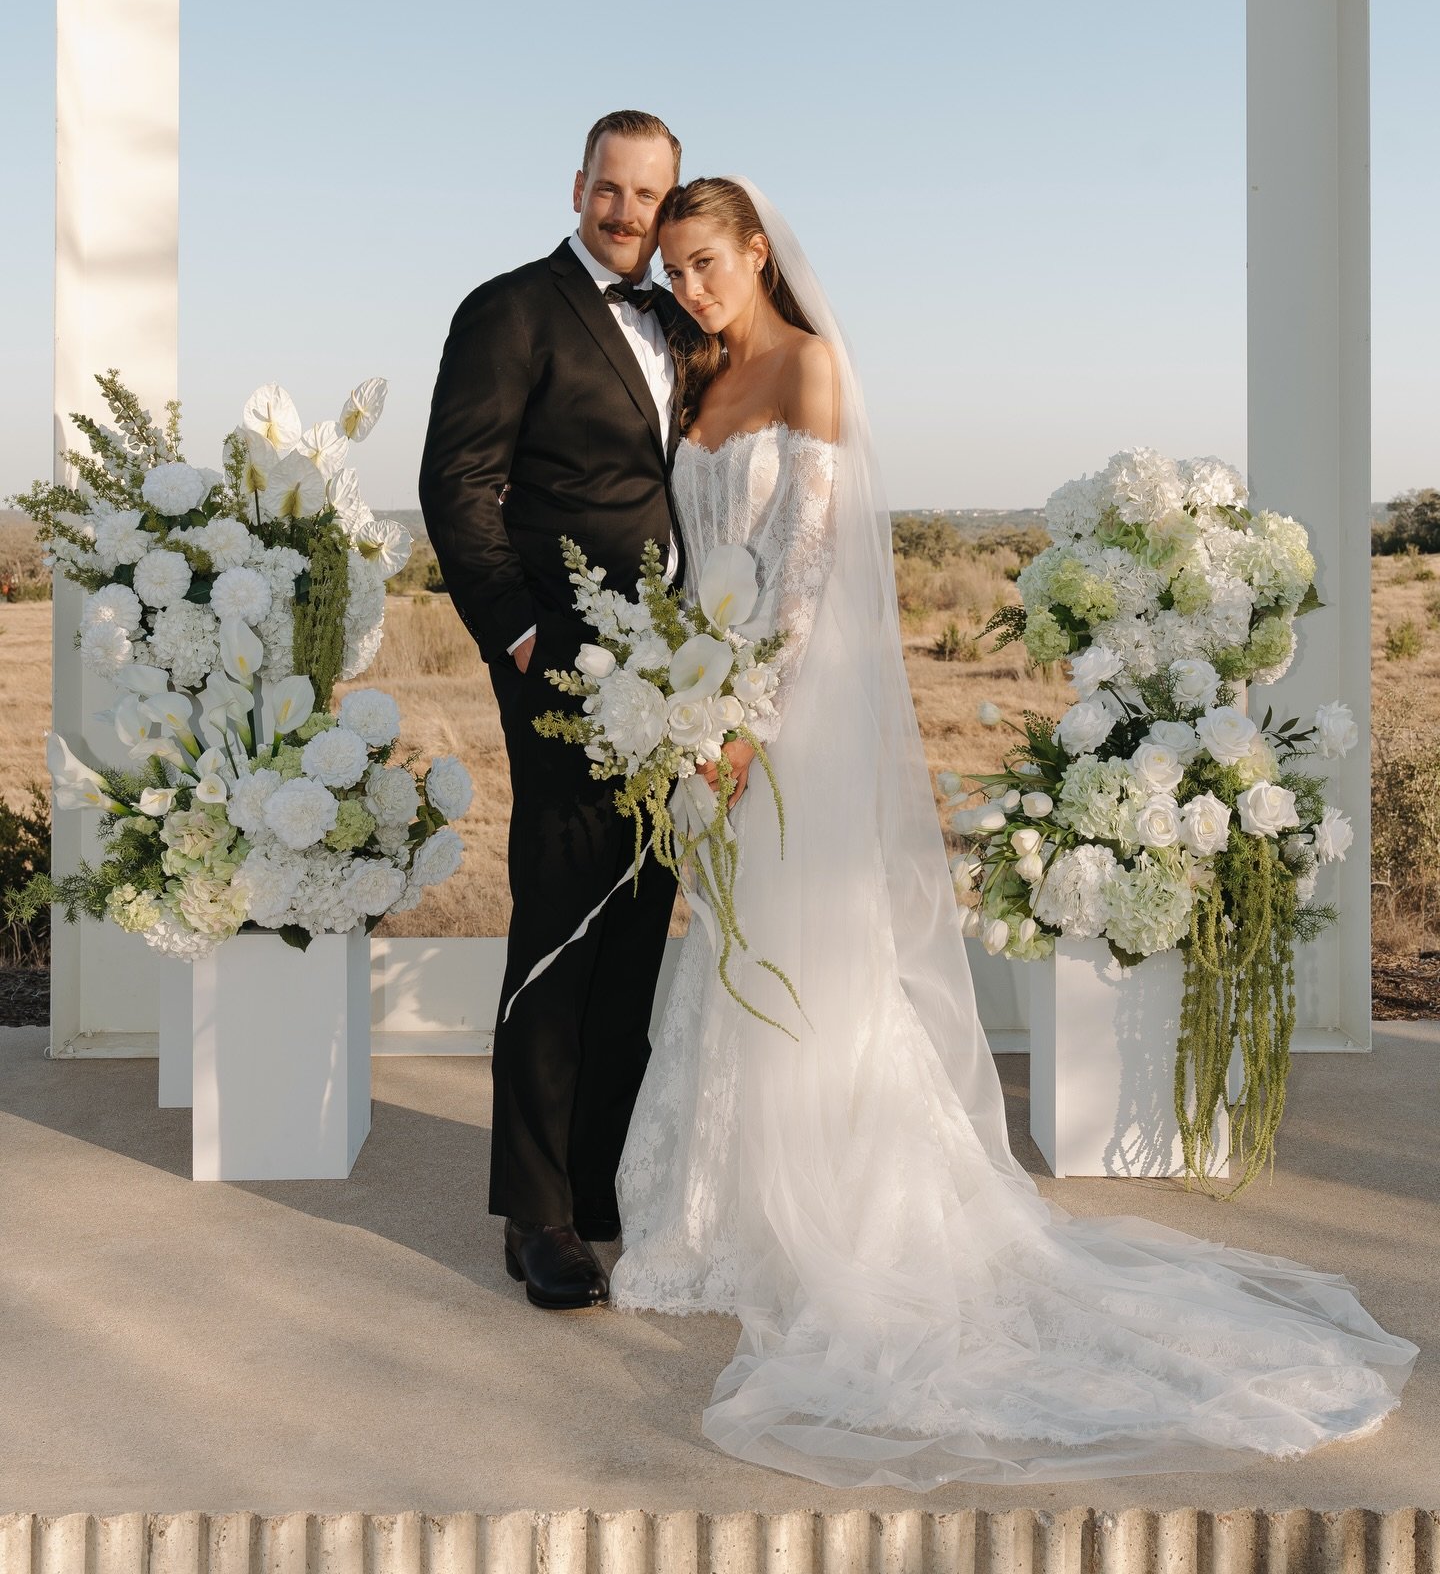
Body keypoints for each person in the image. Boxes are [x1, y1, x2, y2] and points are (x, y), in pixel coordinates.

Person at [607, 174, 1418, 1489]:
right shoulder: (700, 385)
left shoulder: (809, 368)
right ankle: (718, 1217)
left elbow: (804, 570)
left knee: (811, 957)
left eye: (710, 263)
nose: (694, 287)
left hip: (783, 712)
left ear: (758, 253)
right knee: (732, 954)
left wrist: (748, 715)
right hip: (711, 701)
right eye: (677, 269)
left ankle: (845, 1213)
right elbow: (697, 560)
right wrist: (681, 701)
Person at [418, 111, 700, 1311]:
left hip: (677, 677)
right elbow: (458, 483)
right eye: (612, 187)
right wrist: (522, 636)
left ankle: (599, 1184)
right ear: (578, 183)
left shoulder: (684, 319)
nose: (627, 211)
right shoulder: (511, 307)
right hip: (563, 665)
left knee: (640, 916)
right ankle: (534, 1214)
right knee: (560, 917)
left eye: (648, 194)